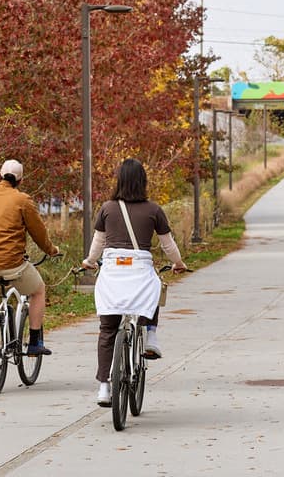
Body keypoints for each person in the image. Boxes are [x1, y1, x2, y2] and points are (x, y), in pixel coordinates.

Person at [80, 158, 188, 407]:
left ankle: (104, 387)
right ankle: (150, 335)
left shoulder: (107, 208)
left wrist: (90, 261)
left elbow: (98, 242)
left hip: (113, 270)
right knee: (155, 288)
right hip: (139, 268)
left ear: (119, 180)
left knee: (107, 329)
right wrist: (178, 263)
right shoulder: (153, 210)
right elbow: (167, 244)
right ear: (142, 182)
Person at [0, 159, 61, 357]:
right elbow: (39, 233)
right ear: (20, 180)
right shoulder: (23, 200)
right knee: (39, 290)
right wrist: (51, 250)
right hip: (14, 266)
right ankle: (34, 342)